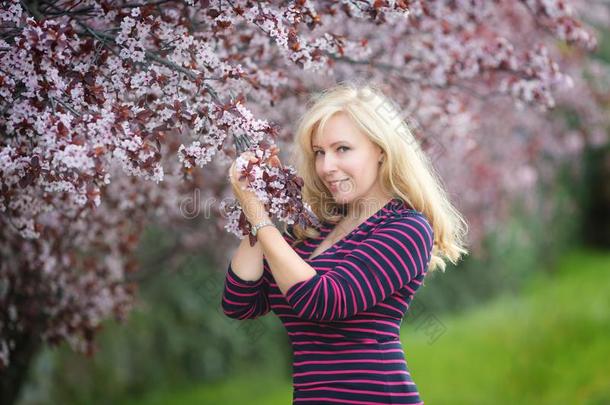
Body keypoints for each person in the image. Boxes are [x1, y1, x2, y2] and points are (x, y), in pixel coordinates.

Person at [222, 82, 468, 404]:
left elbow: (320, 301)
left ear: (381, 150)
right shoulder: (316, 229)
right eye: (319, 153)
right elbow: (241, 302)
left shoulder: (406, 228)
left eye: (342, 149)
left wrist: (258, 216)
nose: (326, 167)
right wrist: (262, 201)